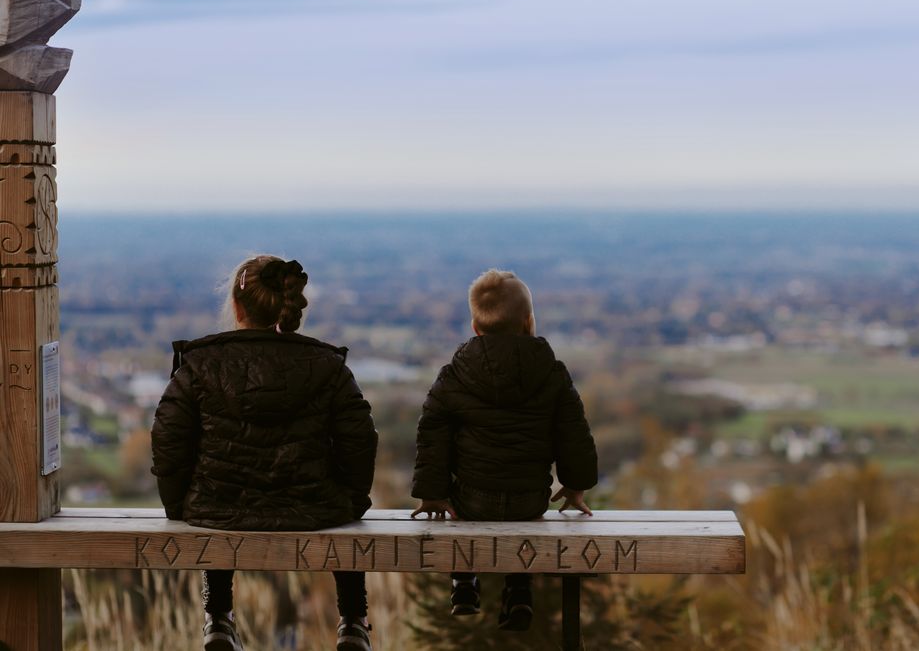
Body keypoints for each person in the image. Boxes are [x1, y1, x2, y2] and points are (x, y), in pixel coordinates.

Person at [151, 255, 378, 651]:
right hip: (315, 507)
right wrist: (352, 501)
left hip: (216, 508)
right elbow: (359, 441)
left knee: (220, 493)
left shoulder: (200, 365)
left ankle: (218, 617)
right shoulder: (326, 365)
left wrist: (179, 506)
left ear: (237, 307)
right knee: (341, 509)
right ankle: (353, 621)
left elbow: (168, 439)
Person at [410, 268, 598, 631]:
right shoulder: (551, 371)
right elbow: (574, 433)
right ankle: (518, 588)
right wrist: (575, 485)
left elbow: (431, 432)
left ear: (475, 327)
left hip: (470, 498)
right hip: (530, 499)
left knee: (459, 500)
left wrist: (432, 493)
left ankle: (463, 580)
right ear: (529, 322)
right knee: (519, 513)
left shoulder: (455, 373)